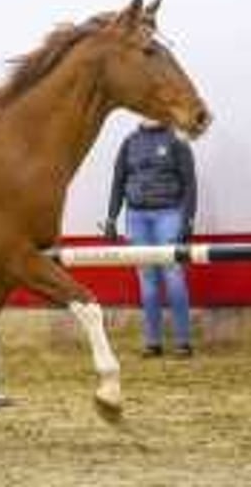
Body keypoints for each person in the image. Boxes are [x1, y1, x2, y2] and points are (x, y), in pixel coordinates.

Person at [103, 120, 197, 358]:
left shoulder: (178, 141)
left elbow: (189, 183)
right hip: (136, 217)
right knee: (147, 280)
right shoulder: (129, 142)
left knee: (173, 275)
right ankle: (153, 342)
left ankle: (183, 342)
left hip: (169, 214)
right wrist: (112, 218)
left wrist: (188, 220)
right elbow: (118, 182)